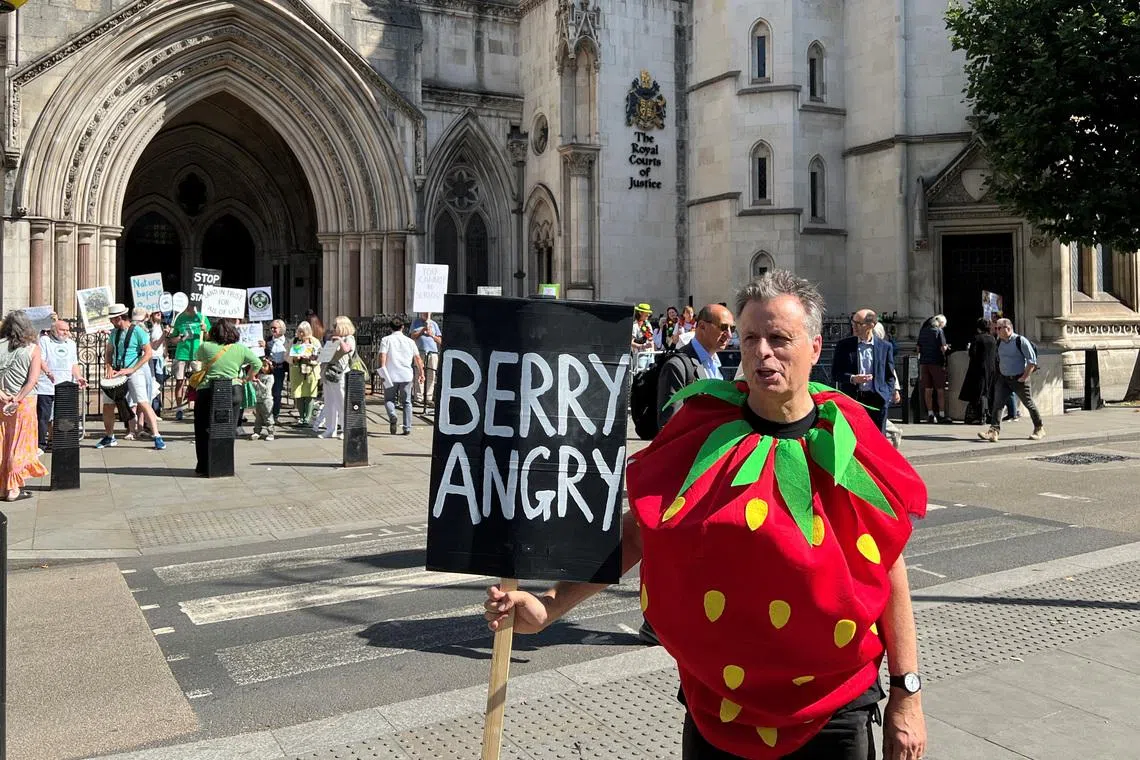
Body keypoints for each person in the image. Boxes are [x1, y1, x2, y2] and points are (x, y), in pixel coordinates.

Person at [484, 271, 928, 759]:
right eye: (751, 337)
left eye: (780, 339)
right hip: (720, 708)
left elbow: (887, 563)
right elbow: (638, 533)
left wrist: (907, 692)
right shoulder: (702, 433)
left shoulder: (849, 439)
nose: (762, 352)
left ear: (815, 346)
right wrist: (549, 606)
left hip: (834, 710)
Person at [192, 319, 260, 475]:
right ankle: (224, 463)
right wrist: (247, 378)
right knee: (227, 429)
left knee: (203, 429)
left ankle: (204, 465)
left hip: (208, 390)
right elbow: (257, 363)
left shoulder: (205, 346)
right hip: (233, 389)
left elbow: (197, 360)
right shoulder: (240, 349)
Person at [97, 304, 165, 450]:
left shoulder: (138, 331)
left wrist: (132, 368)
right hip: (116, 371)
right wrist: (108, 366)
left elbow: (148, 353)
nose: (111, 322)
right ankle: (109, 436)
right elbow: (109, 351)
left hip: (134, 370)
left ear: (119, 318)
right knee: (108, 405)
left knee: (142, 402)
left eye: (112, 319)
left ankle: (157, 435)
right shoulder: (114, 333)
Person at [658, 304, 735, 428]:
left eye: (733, 328)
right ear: (702, 326)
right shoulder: (677, 366)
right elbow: (669, 427)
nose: (729, 334)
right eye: (724, 327)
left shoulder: (716, 363)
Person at [0, 311, 48, 501]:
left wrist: (4, 397)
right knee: (20, 443)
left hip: (1, 399)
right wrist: (17, 399)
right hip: (25, 402)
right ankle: (13, 488)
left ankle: (2, 486)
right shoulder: (32, 348)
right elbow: (32, 380)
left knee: (3, 442)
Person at [831, 309, 900, 434]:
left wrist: (886, 395)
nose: (854, 326)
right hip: (854, 399)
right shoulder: (844, 345)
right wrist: (852, 378)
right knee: (855, 439)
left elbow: (890, 375)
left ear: (871, 325)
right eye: (853, 323)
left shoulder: (885, 347)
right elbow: (836, 373)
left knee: (878, 441)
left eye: (859, 323)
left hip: (877, 400)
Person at [978, 318, 1045, 442]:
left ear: (1008, 328)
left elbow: (1032, 362)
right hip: (1003, 379)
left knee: (1028, 404)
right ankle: (994, 431)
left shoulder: (1020, 341)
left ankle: (1039, 427)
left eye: (999, 328)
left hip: (1019, 378)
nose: (996, 330)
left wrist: (1024, 377)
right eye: (996, 328)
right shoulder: (999, 342)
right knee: (997, 405)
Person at [35, 319, 86, 451]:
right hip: (46, 385)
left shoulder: (71, 343)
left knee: (62, 415)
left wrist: (78, 377)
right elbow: (40, 359)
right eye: (62, 330)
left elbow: (74, 363)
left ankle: (57, 441)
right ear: (54, 330)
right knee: (44, 416)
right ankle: (41, 444)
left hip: (65, 385)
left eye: (67, 330)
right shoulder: (45, 341)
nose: (66, 332)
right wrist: (47, 372)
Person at [314, 316, 357, 439]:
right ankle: (330, 428)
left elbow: (347, 349)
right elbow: (325, 355)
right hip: (329, 372)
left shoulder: (349, 338)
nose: (333, 329)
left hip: (340, 373)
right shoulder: (332, 339)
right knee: (329, 402)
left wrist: (340, 340)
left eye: (335, 326)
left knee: (341, 402)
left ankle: (345, 429)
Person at [378, 318, 423, 435]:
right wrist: (421, 373)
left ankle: (392, 414)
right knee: (407, 402)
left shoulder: (386, 340)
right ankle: (407, 427)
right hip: (406, 375)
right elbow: (418, 358)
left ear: (390, 327)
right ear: (403, 327)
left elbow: (382, 355)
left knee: (389, 399)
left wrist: (382, 370)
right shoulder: (410, 342)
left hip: (390, 375)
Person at [171, 303, 210, 421]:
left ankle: (197, 407)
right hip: (182, 354)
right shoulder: (180, 318)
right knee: (179, 381)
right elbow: (173, 339)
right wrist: (179, 338)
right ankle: (179, 409)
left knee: (199, 382)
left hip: (197, 354)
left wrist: (206, 330)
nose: (192, 307)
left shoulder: (202, 317)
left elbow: (210, 337)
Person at [959, 318, 997, 425]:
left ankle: (979, 416)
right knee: (988, 392)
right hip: (991, 369)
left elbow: (972, 353)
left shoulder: (977, 338)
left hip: (978, 369)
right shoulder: (992, 339)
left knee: (978, 393)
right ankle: (988, 415)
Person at [287, 321, 322, 426]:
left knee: (310, 394)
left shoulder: (315, 342)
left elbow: (321, 356)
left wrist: (312, 359)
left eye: (302, 332)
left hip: (311, 371)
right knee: (299, 394)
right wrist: (294, 358)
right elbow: (287, 355)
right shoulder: (294, 341)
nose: (300, 334)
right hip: (297, 370)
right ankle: (301, 417)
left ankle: (308, 417)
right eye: (299, 332)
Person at [916, 314, 949, 423]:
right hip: (936, 363)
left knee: (928, 389)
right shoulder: (939, 331)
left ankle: (930, 414)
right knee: (940, 389)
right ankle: (941, 414)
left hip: (924, 363)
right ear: (941, 323)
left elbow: (918, 348)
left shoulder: (923, 331)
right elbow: (943, 348)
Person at [410, 312, 442, 407]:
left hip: (432, 352)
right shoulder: (416, 322)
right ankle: (418, 398)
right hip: (420, 352)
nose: (427, 314)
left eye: (428, 312)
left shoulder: (434, 324)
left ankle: (428, 397)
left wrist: (432, 335)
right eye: (425, 312)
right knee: (419, 373)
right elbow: (412, 336)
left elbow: (440, 340)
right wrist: (422, 330)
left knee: (431, 374)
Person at [147, 311, 171, 418]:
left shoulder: (161, 325)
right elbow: (154, 344)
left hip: (160, 357)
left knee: (158, 384)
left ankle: (156, 409)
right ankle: (154, 410)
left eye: (160, 312)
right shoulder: (149, 327)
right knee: (154, 384)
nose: (159, 314)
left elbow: (163, 342)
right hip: (152, 358)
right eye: (156, 312)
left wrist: (166, 353)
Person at [266, 319, 289, 424]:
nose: (273, 330)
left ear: (281, 329)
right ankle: (266, 414)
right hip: (269, 369)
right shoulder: (268, 340)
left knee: (277, 393)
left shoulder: (288, 342)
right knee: (267, 393)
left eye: (275, 328)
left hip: (280, 369)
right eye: (271, 328)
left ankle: (275, 414)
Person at [250, 359, 276, 441]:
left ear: (270, 367)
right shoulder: (260, 376)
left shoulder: (270, 377)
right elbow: (257, 388)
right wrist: (253, 381)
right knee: (258, 417)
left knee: (268, 416)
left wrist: (258, 382)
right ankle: (257, 432)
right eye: (262, 366)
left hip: (267, 400)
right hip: (259, 399)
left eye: (265, 366)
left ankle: (270, 433)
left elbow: (266, 389)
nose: (263, 368)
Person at [631, 303, 656, 371]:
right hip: (640, 355)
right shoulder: (635, 326)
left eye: (648, 313)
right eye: (646, 313)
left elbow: (651, 339)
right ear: (640, 313)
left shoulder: (648, 324)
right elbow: (631, 342)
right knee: (640, 374)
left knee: (651, 373)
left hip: (650, 354)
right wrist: (642, 346)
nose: (648, 315)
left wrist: (653, 353)